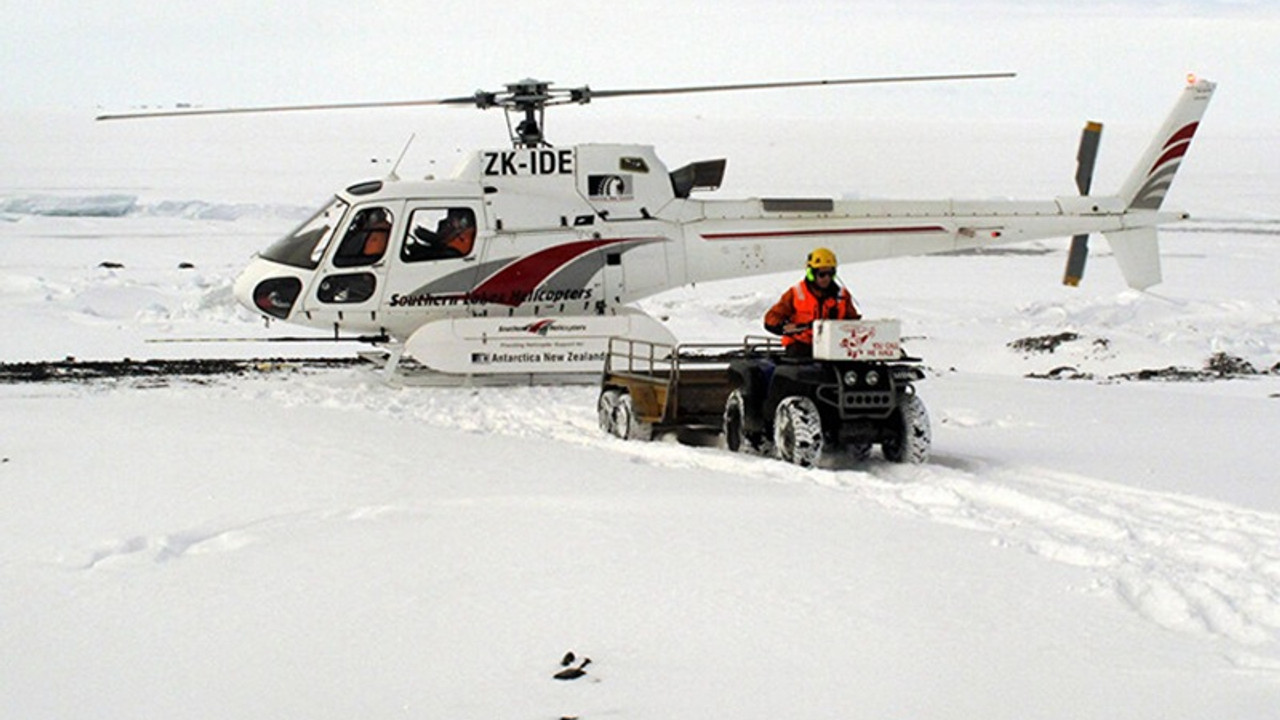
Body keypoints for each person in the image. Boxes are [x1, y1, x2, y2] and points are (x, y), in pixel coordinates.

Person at [764, 247, 860, 357]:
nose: (826, 278)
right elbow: (772, 317)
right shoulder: (796, 293)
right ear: (811, 273)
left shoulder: (842, 295)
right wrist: (784, 327)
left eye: (830, 274)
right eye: (822, 274)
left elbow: (853, 322)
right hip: (801, 345)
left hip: (834, 347)